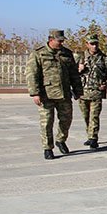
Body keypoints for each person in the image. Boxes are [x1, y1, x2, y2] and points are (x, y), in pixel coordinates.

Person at [27, 29, 83, 160]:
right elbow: (32, 75)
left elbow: (74, 74)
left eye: (63, 41)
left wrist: (78, 90)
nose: (61, 43)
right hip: (46, 95)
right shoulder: (38, 54)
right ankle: (47, 148)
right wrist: (35, 93)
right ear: (51, 39)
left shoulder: (67, 54)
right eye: (59, 41)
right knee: (46, 123)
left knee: (66, 120)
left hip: (64, 94)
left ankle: (61, 140)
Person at [77, 34, 107, 150]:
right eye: (92, 44)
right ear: (87, 44)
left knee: (94, 116)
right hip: (82, 92)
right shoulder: (80, 58)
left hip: (96, 92)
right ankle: (89, 135)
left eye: (96, 44)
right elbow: (72, 75)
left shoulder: (105, 58)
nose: (94, 46)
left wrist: (106, 84)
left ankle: (94, 138)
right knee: (86, 116)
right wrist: (79, 70)